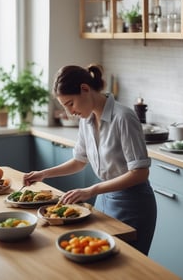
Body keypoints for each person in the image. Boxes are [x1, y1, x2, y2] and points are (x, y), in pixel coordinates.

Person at [23, 64, 157, 254]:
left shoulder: (124, 118)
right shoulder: (86, 120)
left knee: (126, 267)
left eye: (71, 104)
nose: (70, 113)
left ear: (85, 89)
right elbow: (79, 161)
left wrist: (90, 190)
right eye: (65, 107)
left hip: (133, 204)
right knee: (100, 262)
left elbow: (140, 173)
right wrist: (44, 174)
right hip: (103, 199)